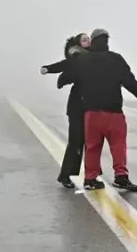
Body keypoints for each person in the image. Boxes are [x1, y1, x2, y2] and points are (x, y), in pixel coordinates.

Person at [68, 28, 137, 192]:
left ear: (92, 42)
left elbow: (67, 76)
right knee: (118, 146)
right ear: (106, 42)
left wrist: (73, 54)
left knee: (92, 147)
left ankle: (90, 179)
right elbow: (130, 81)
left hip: (92, 114)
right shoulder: (116, 59)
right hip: (114, 113)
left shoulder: (83, 61)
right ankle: (121, 177)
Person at [40, 32, 91, 188]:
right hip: (77, 106)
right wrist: (48, 69)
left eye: (88, 38)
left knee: (88, 142)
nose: (87, 40)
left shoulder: (95, 57)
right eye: (84, 39)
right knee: (75, 141)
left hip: (91, 106)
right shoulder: (75, 58)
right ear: (78, 44)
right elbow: (62, 65)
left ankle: (87, 176)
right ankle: (65, 175)